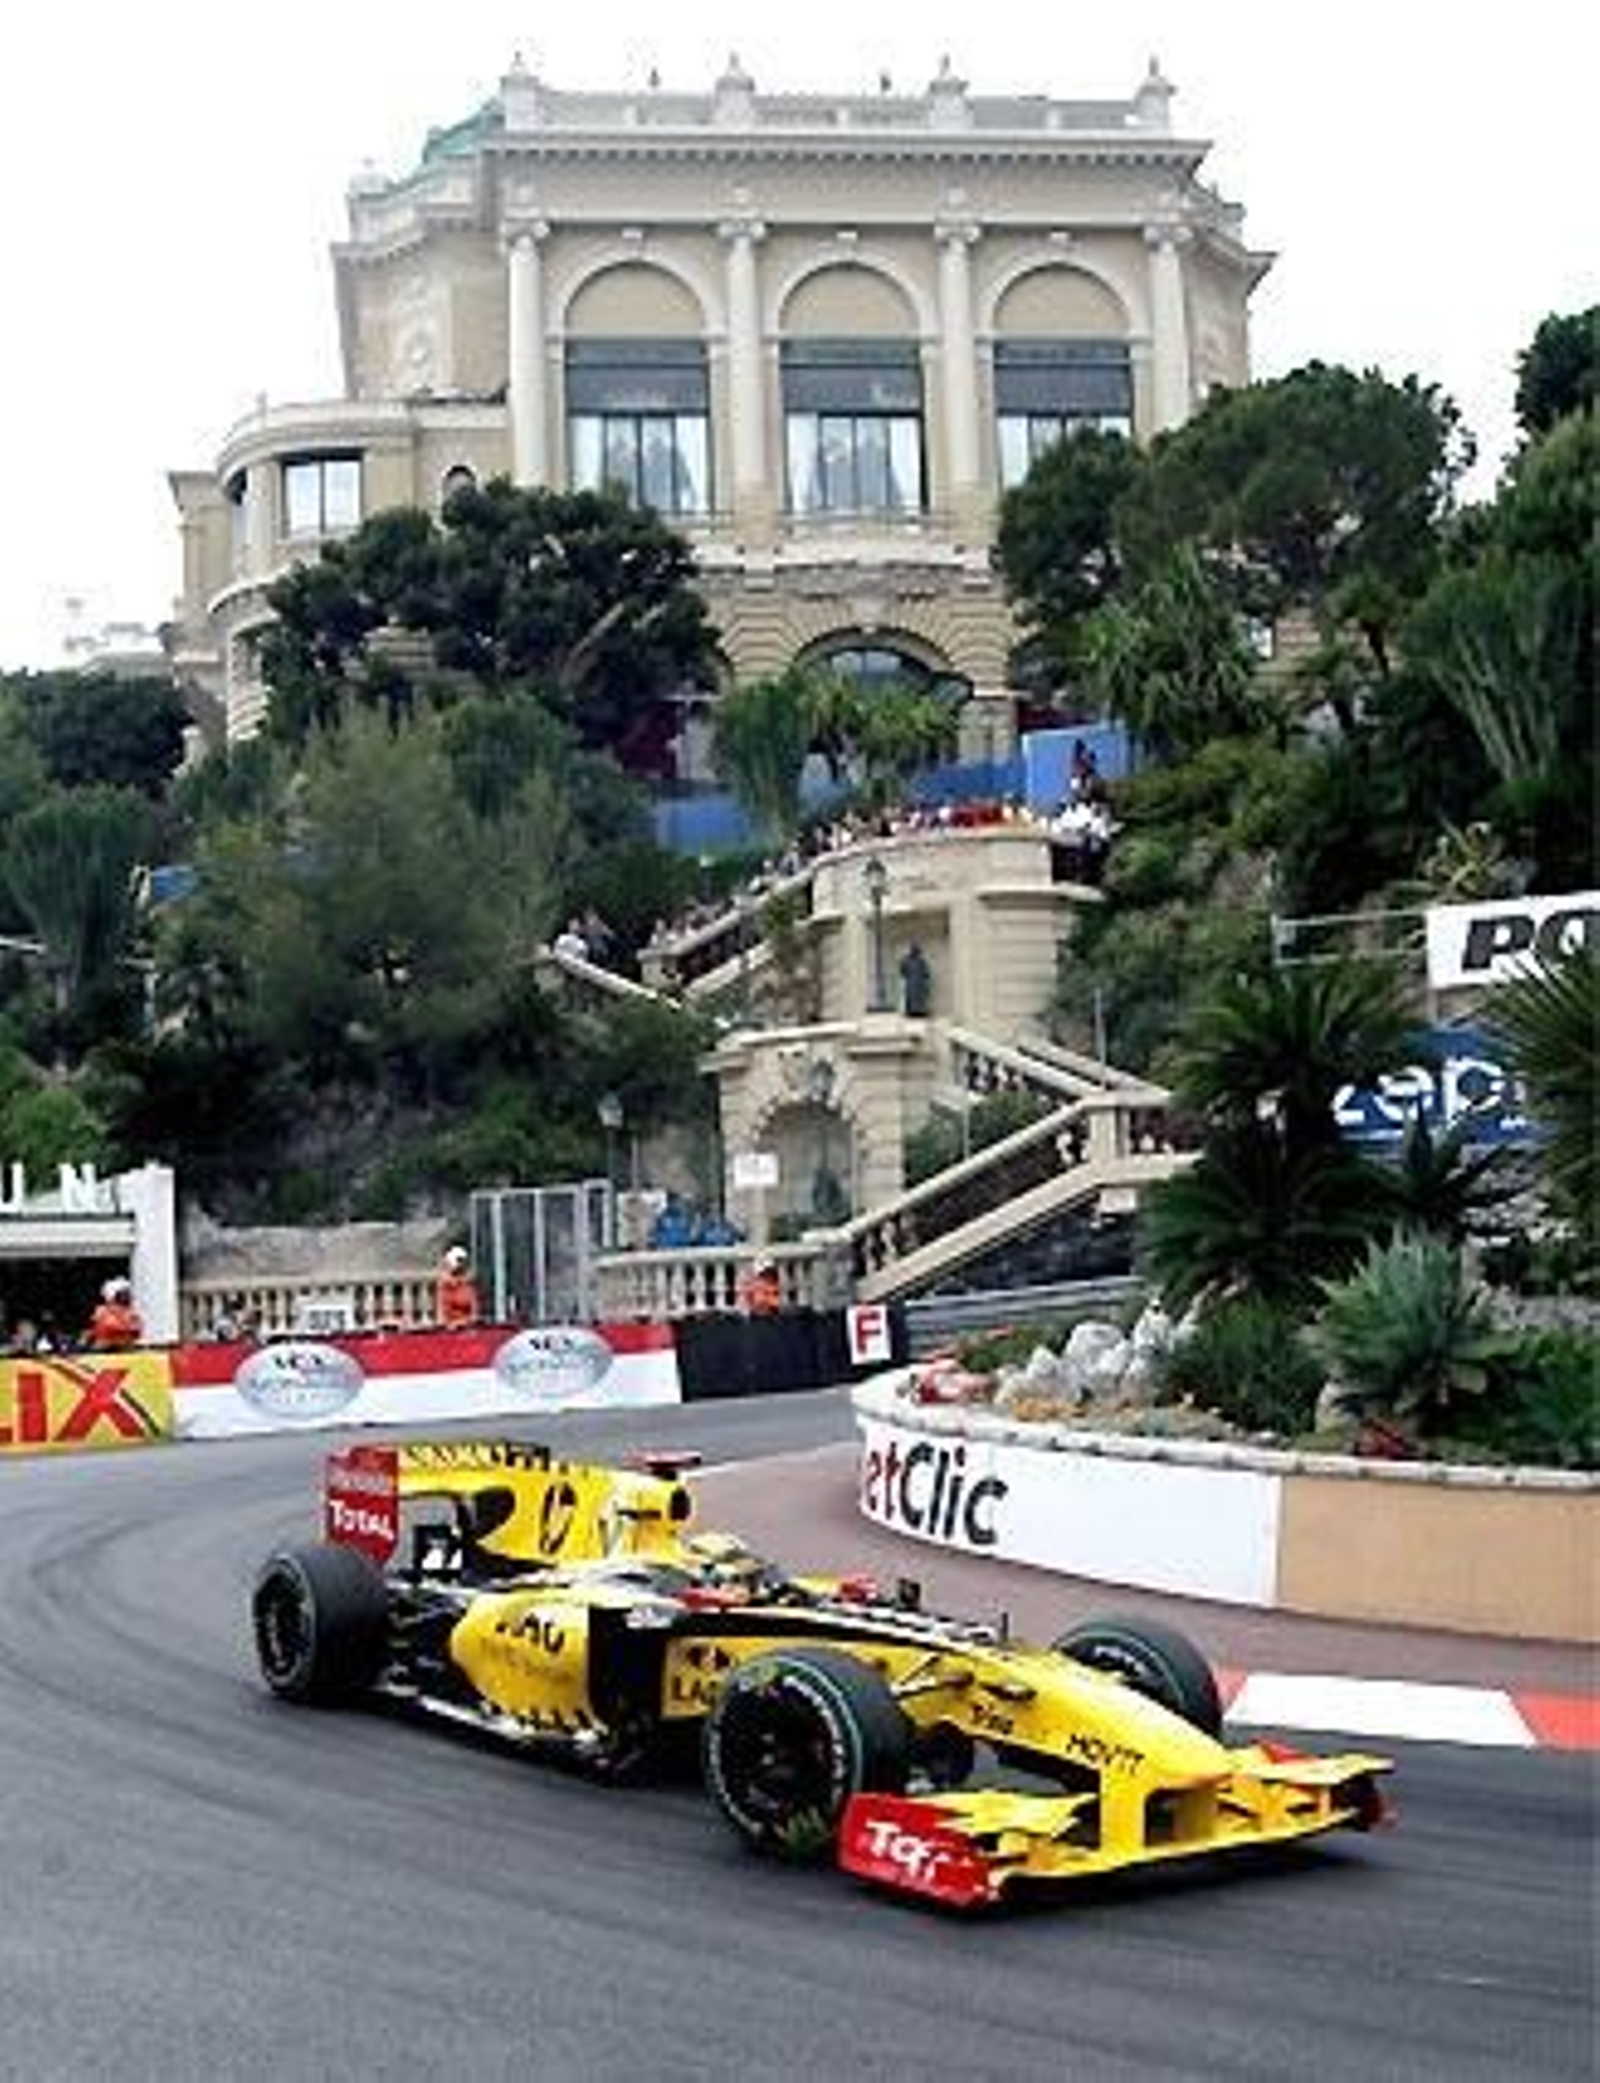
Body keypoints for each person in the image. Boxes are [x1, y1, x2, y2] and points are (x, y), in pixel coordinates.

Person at [87, 1278, 144, 1351]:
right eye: (123, 1293)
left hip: (126, 1350)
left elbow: (136, 1331)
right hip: (105, 1350)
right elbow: (96, 1331)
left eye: (127, 1293)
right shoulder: (102, 1311)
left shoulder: (131, 1312)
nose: (127, 1296)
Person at [435, 1246, 480, 1329]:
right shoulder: (443, 1286)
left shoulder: (468, 1285)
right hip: (448, 1330)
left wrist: (461, 1323)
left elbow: (474, 1315)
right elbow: (440, 1316)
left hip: (466, 1328)